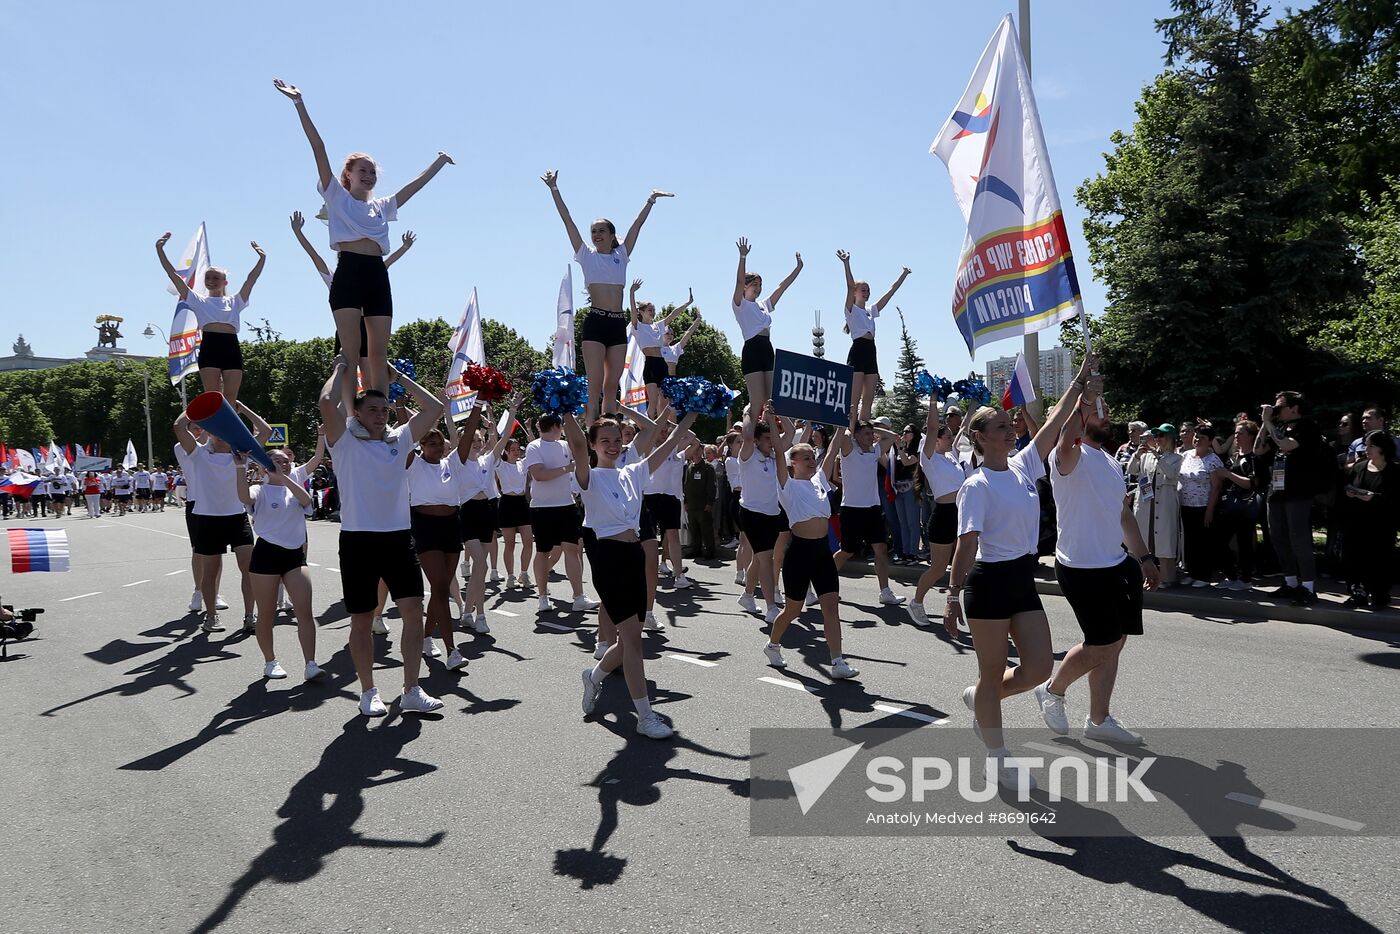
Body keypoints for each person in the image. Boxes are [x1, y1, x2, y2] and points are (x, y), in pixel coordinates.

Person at [944, 353, 1096, 789]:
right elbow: (966, 544)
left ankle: (980, 701)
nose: (1011, 431)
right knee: (992, 672)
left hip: (1021, 581)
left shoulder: (1023, 465)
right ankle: (997, 754)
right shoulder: (976, 485)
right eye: (1001, 428)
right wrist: (953, 596)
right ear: (980, 438)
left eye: (1011, 427)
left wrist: (1079, 381)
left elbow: (1052, 425)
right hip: (988, 583)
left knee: (1036, 670)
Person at [274, 78, 453, 400]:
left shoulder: (382, 206)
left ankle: (378, 413)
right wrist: (298, 103)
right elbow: (319, 147)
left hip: (376, 274)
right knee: (350, 355)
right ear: (348, 175)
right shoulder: (336, 196)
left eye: (372, 172)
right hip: (348, 272)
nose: (368, 176)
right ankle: (345, 413)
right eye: (362, 171)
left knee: (377, 355)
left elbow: (415, 185)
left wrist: (439, 162)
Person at [320, 357, 446, 717]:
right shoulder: (343, 441)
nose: (380, 413)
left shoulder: (400, 438)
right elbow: (328, 403)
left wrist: (399, 377)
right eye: (371, 408)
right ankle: (368, 691)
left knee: (412, 612)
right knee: (362, 620)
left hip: (398, 539)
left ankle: (411, 689)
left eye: (384, 408)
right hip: (359, 540)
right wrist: (341, 369)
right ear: (357, 413)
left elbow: (434, 407)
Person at [1034, 385, 1158, 745]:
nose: (1106, 414)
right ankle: (1053, 690)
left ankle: (1098, 719)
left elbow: (1122, 514)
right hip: (1080, 567)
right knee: (1101, 643)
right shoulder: (1069, 460)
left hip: (1117, 564)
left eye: (1104, 409)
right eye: (1098, 411)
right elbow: (1065, 436)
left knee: (1115, 641)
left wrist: (1145, 557)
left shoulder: (1110, 462)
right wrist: (1083, 399)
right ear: (1082, 420)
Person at [571, 410, 699, 740]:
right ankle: (644, 717)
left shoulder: (633, 472)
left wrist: (694, 408)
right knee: (634, 642)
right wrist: (565, 407)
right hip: (608, 558)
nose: (612, 446)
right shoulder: (589, 476)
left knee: (628, 639)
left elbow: (669, 441)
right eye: (605, 441)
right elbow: (576, 444)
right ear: (594, 445)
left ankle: (594, 677)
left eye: (617, 440)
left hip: (634, 556)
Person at [541, 169, 672, 423]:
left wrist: (651, 200)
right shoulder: (585, 255)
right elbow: (568, 220)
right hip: (595, 322)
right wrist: (554, 189)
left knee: (612, 385)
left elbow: (637, 227)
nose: (597, 234)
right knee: (595, 385)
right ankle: (592, 431)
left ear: (612, 235)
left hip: (615, 323)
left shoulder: (620, 255)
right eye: (593, 231)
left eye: (602, 230)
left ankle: (609, 427)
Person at [764, 419, 857, 678]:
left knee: (830, 606)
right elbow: (778, 459)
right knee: (793, 610)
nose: (811, 460)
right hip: (799, 553)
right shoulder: (787, 485)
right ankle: (773, 645)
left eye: (811, 456)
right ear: (793, 463)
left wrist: (843, 422)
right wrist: (772, 421)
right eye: (804, 457)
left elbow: (833, 447)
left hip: (822, 552)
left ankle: (837, 662)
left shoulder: (819, 480)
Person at [174, 401, 270, 633]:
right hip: (208, 519)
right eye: (215, 431)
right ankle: (211, 616)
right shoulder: (197, 454)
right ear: (208, 432)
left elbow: (266, 431)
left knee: (249, 568)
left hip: (237, 518)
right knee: (211, 572)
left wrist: (242, 409)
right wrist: (201, 409)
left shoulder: (242, 454)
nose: (220, 436)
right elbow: (179, 426)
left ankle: (249, 615)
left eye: (224, 431)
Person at [234, 448, 325, 682]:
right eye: (276, 461)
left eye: (286, 461)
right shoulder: (260, 489)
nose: (282, 464)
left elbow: (306, 501)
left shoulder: (295, 490)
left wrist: (284, 477)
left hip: (294, 557)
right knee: (266, 613)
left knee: (304, 611)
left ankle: (310, 664)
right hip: (266, 555)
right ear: (264, 465)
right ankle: (270, 661)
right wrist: (239, 466)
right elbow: (245, 497)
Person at [288, 209, 418, 361]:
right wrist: (298, 233)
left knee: (369, 372)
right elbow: (314, 255)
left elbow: (386, 263)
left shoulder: (370, 272)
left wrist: (405, 247)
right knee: (344, 368)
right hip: (347, 328)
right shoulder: (335, 278)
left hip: (367, 326)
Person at [156, 234, 264, 404]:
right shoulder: (198, 300)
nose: (211, 281)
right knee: (213, 398)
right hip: (210, 347)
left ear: (225, 282)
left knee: (230, 398)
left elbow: (251, 280)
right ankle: (213, 430)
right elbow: (174, 277)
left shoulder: (236, 300)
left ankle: (228, 430)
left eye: (215, 277)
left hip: (231, 347)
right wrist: (160, 251)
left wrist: (262, 258)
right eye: (208, 277)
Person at [449, 395, 522, 635]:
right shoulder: (458, 461)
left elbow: (500, 441)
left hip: (487, 512)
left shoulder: (487, 461)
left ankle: (470, 613)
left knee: (480, 569)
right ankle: (478, 614)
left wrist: (511, 410)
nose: (478, 443)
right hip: (467, 512)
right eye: (474, 439)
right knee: (480, 563)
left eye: (481, 440)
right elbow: (459, 433)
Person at [404, 406, 468, 671]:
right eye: (432, 443)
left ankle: (427, 636)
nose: (438, 447)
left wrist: (478, 403)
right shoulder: (414, 463)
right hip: (425, 526)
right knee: (440, 586)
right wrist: (399, 405)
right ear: (421, 445)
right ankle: (452, 649)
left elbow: (468, 435)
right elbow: (405, 435)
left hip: (452, 525)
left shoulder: (451, 463)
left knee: (441, 589)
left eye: (440, 443)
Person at [1255, 391, 1328, 606]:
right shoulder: (1277, 427)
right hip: (1277, 491)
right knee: (1278, 538)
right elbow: (1258, 450)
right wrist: (1264, 423)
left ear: (1294, 407)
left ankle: (1308, 587)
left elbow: (1287, 445)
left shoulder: (1308, 427)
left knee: (1299, 539)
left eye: (1280, 407)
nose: (1276, 411)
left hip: (1298, 492)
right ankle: (1290, 582)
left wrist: (1269, 421)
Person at [526, 413, 599, 614]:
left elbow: (582, 450)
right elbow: (538, 475)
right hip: (541, 508)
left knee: (572, 549)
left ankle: (579, 596)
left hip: (566, 505)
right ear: (557, 426)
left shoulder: (565, 445)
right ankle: (542, 596)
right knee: (543, 551)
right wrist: (567, 468)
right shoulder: (534, 447)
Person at [832, 418, 907, 606]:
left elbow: (893, 437)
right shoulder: (849, 451)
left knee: (881, 549)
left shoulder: (874, 451)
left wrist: (872, 426)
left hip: (872, 508)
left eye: (871, 432)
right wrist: (854, 427)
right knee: (846, 552)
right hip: (851, 509)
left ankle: (885, 591)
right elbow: (843, 433)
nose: (871, 436)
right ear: (856, 435)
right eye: (866, 433)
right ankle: (822, 582)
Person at [908, 398, 969, 625]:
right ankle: (916, 602)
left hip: (962, 515)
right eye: (948, 437)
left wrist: (972, 402)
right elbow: (933, 427)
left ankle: (962, 604)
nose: (952, 439)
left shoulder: (951, 457)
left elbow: (963, 427)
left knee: (967, 565)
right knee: (938, 568)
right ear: (936, 441)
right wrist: (933, 400)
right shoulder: (929, 458)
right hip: (943, 515)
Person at [836, 249, 911, 422]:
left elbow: (890, 293)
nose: (866, 292)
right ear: (855, 292)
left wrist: (904, 275)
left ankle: (864, 427)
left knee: (868, 399)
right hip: (858, 350)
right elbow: (848, 285)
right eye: (863, 289)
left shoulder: (871, 311)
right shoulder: (851, 310)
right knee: (853, 400)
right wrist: (846, 264)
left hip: (871, 351)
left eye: (868, 290)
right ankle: (850, 428)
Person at [732, 238, 803, 412]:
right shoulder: (739, 304)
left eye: (760, 285)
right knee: (757, 401)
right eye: (754, 284)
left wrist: (798, 268)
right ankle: (749, 435)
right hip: (752, 349)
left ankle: (767, 434)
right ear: (746, 286)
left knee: (771, 400)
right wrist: (743, 257)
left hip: (767, 348)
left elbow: (781, 287)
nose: (758, 288)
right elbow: (739, 282)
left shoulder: (763, 305)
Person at [735, 404, 788, 624]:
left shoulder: (774, 456)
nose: (771, 441)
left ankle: (747, 596)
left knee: (760, 557)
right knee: (767, 558)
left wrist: (777, 414)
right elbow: (747, 437)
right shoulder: (747, 455)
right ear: (757, 441)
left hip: (772, 514)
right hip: (752, 513)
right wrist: (749, 412)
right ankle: (771, 607)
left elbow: (791, 433)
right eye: (767, 438)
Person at [1341, 431, 1400, 608]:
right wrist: (1351, 493)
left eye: (1371, 445)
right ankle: (1357, 593)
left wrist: (1374, 498)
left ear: (1382, 449)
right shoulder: (1360, 467)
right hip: (1357, 521)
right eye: (1366, 444)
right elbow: (1348, 485)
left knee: (1379, 559)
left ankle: (1379, 595)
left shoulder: (1394, 471)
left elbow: (1395, 499)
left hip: (1381, 524)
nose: (1366, 449)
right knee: (1354, 558)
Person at [1129, 426, 1183, 587]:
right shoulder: (1146, 456)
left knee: (1164, 541)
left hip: (1164, 504)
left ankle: (1167, 578)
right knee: (1143, 539)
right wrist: (1137, 455)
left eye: (1162, 435)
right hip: (1146, 503)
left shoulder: (1176, 458)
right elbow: (1131, 470)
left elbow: (1171, 474)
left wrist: (1158, 455)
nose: (1158, 438)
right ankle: (1141, 576)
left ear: (1171, 438)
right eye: (1156, 435)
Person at [629, 280, 693, 416]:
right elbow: (633, 313)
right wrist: (631, 292)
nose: (653, 312)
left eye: (654, 310)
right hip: (650, 364)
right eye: (649, 310)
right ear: (642, 312)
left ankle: (662, 428)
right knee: (652, 401)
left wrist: (687, 304)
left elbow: (673, 315)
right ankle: (649, 428)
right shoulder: (638, 327)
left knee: (666, 400)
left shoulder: (658, 326)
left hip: (661, 364)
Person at [643, 412, 691, 589]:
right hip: (650, 496)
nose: (664, 433)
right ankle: (647, 571)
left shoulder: (673, 448)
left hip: (670, 497)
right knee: (648, 538)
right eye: (661, 431)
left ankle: (679, 575)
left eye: (666, 431)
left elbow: (693, 439)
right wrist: (658, 425)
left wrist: (671, 423)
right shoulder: (647, 448)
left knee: (673, 537)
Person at [1214, 420, 1263, 590]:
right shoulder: (1234, 456)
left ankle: (1245, 579)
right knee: (1219, 541)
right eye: (1235, 433)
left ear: (1251, 436)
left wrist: (1228, 474)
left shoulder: (1254, 457)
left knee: (1244, 543)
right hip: (1230, 505)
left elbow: (1251, 483)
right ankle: (1231, 575)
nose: (1236, 436)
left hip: (1246, 505)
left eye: (1240, 433)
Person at [1177, 423, 1225, 587]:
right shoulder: (1186, 455)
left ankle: (1203, 576)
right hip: (1185, 505)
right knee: (1190, 541)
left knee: (1203, 542)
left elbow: (1217, 487)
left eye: (1202, 437)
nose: (1197, 439)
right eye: (1196, 436)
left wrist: (1210, 511)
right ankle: (1192, 572)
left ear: (1210, 441)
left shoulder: (1213, 460)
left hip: (1204, 506)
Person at [495, 434, 534, 590]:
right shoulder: (500, 465)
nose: (516, 452)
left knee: (528, 541)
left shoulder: (523, 464)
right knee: (509, 544)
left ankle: (524, 574)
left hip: (522, 504)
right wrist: (493, 430)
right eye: (512, 449)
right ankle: (510, 576)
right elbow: (495, 448)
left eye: (518, 449)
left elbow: (534, 446)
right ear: (506, 451)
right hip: (507, 504)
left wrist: (531, 429)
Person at [891, 426, 923, 562]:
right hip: (898, 488)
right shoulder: (900, 450)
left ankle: (913, 552)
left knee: (912, 522)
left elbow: (907, 461)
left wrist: (900, 448)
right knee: (902, 522)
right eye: (903, 431)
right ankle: (905, 552)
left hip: (911, 487)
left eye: (907, 431)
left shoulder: (916, 450)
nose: (904, 434)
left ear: (914, 434)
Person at [683, 439, 717, 561]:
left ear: (702, 450)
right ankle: (695, 549)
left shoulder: (708, 467)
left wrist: (709, 503)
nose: (696, 452)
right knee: (694, 529)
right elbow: (686, 485)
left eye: (698, 449)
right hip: (692, 504)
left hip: (703, 504)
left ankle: (709, 550)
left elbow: (712, 486)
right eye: (694, 450)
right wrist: (686, 501)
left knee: (706, 528)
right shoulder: (689, 467)